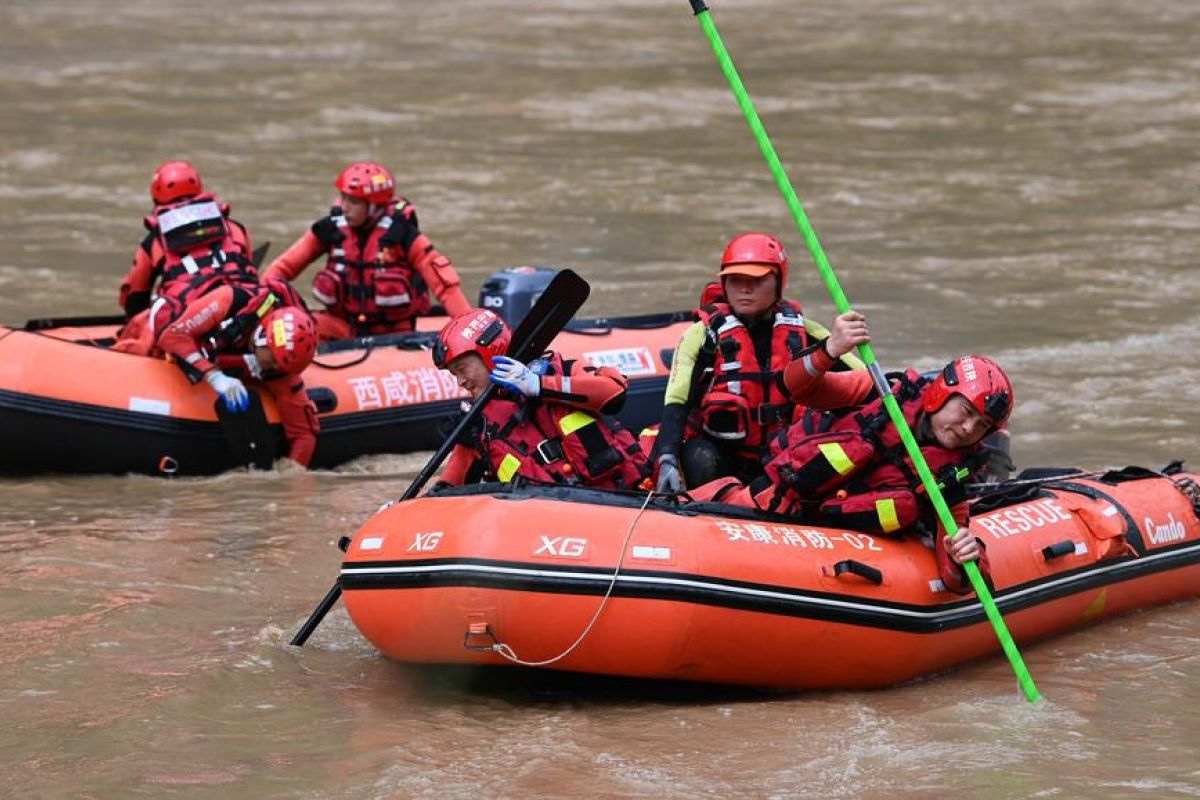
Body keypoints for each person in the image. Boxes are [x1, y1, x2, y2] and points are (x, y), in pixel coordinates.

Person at [708, 310, 1011, 594]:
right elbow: (797, 387)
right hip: (769, 503)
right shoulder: (879, 394)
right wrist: (830, 349)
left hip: (825, 548)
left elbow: (954, 577)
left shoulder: (950, 481)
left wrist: (964, 555)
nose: (969, 428)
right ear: (942, 394)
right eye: (966, 411)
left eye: (982, 424)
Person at [655, 232, 847, 493]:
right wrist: (667, 458)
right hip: (723, 456)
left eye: (755, 280)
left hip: (785, 458)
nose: (744, 289)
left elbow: (868, 381)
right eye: (735, 280)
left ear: (778, 282)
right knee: (699, 457)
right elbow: (677, 402)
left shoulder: (807, 333)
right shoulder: (701, 336)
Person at [431, 309, 650, 490]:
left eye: (461, 369)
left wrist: (538, 385)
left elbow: (614, 392)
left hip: (624, 498)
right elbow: (450, 482)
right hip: (550, 520)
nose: (459, 381)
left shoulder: (558, 371)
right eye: (453, 374)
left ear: (489, 354)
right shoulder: (478, 425)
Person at [262, 161, 471, 340]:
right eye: (343, 197)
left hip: (393, 333)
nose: (344, 207)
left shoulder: (403, 235)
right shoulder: (330, 230)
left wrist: (469, 333)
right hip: (340, 326)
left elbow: (445, 288)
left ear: (374, 206)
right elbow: (281, 270)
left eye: (353, 201)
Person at [156, 279, 321, 469]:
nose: (276, 368)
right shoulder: (229, 301)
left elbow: (304, 435)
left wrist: (290, 485)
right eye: (274, 361)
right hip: (189, 317)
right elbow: (171, 335)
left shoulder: (283, 363)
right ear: (263, 339)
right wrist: (214, 376)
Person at [115, 160, 258, 355]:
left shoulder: (154, 240)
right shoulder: (235, 228)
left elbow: (136, 293)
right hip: (247, 316)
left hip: (191, 325)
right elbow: (249, 274)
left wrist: (131, 326)